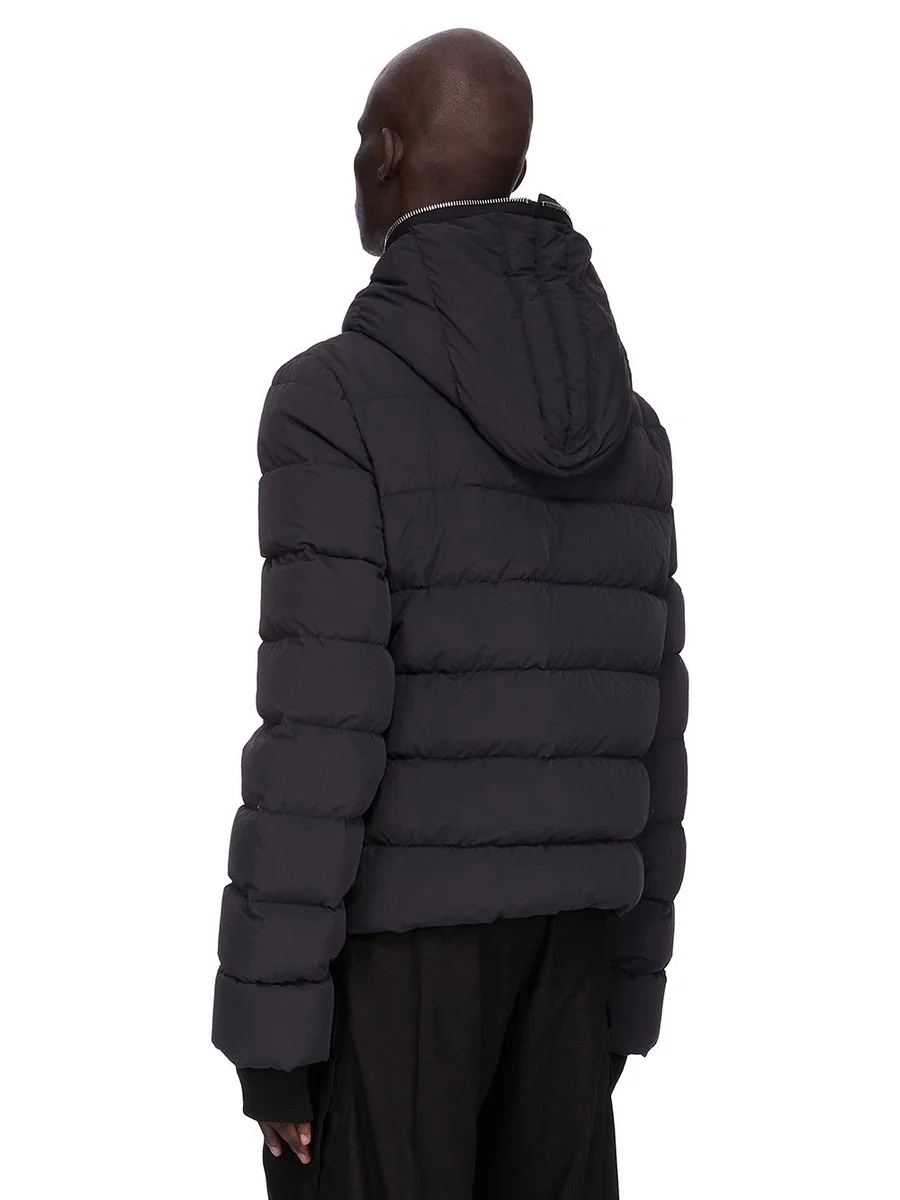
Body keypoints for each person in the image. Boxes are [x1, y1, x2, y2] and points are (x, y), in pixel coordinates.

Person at [212, 26, 687, 1200]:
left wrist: (273, 1038)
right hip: (574, 961)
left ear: (385, 154)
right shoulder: (628, 430)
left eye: (355, 145)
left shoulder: (330, 403)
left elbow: (319, 731)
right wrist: (628, 988)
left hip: (397, 976)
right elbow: (655, 729)